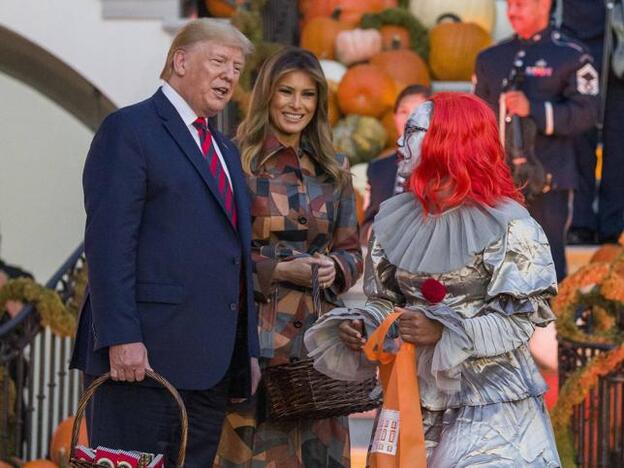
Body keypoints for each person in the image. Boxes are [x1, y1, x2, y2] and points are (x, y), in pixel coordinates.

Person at [305, 93, 561, 466]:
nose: (399, 142)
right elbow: (384, 299)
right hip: (413, 398)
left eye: (413, 131)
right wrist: (366, 324)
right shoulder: (393, 219)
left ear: (451, 139)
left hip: (491, 404)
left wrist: (443, 330)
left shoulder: (510, 224)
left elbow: (520, 320)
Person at [70, 19, 260, 467]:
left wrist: (245, 347)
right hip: (141, 361)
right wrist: (121, 337)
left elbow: (234, 256)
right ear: (179, 60)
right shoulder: (130, 129)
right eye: (219, 61)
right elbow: (108, 242)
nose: (230, 76)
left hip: (211, 364)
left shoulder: (225, 150)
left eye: (236, 68)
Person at [215, 47, 363, 468]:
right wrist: (279, 268)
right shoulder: (235, 161)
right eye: (286, 92)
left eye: (308, 95)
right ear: (267, 95)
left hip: (318, 347)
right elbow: (218, 253)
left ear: (319, 103)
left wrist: (335, 267)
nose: (296, 105)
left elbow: (352, 252)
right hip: (255, 342)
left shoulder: (334, 168)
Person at [474, 0, 599, 281]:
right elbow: (475, 117)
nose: (511, 11)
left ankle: (548, 323)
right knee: (497, 259)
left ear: (544, 4)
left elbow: (587, 113)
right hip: (499, 179)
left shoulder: (571, 55)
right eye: (508, 4)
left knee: (547, 259)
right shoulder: (490, 58)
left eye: (520, 3)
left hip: (549, 178)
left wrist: (535, 110)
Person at [562, 0, 624, 245]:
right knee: (580, 134)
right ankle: (581, 221)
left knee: (619, 139)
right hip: (580, 36)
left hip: (618, 44)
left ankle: (614, 222)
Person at [361, 84, 431, 243]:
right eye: (403, 111)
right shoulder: (378, 169)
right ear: (394, 117)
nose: (410, 119)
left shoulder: (446, 165)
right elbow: (366, 225)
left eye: (418, 112)